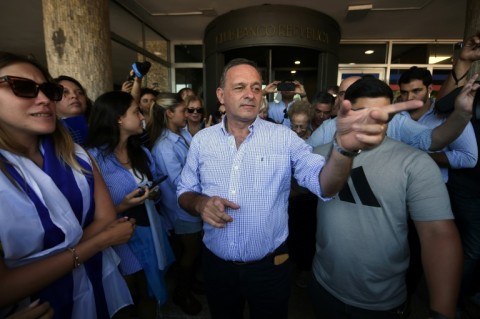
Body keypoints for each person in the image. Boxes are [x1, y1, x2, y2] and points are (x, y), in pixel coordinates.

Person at [176, 57, 422, 319]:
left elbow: (324, 185)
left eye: (257, 88)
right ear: (221, 95)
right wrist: (200, 204)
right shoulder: (202, 141)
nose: (250, 95)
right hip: (217, 267)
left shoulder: (283, 138)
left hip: (270, 269)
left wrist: (342, 149)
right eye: (239, 87)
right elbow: (184, 193)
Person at [309, 76, 466, 319]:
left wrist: (442, 311)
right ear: (345, 111)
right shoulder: (320, 156)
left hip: (381, 302)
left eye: (382, 112)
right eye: (362, 112)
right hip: (323, 286)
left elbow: (438, 233)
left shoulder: (415, 164)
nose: (374, 119)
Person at [0, 52, 135, 318]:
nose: (44, 99)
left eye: (48, 90)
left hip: (97, 283)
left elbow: (106, 217)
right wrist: (99, 242)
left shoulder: (76, 154)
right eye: (23, 87)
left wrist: (32, 268)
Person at [85, 91, 174, 318]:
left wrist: (153, 194)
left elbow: (156, 185)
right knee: (126, 297)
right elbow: (86, 214)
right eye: (137, 111)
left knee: (149, 291)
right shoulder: (92, 159)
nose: (143, 116)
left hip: (149, 230)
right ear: (118, 118)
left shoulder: (141, 152)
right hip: (118, 241)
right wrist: (122, 206)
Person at [307, 75, 476, 153]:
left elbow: (432, 140)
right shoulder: (329, 129)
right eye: (363, 112)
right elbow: (303, 163)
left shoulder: (397, 123)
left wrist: (461, 114)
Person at [148, 98, 203, 315]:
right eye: (184, 111)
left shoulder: (183, 135)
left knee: (195, 248)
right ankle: (182, 293)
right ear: (169, 113)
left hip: (191, 204)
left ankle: (190, 284)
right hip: (181, 209)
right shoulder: (164, 146)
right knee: (190, 251)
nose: (187, 114)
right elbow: (179, 181)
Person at [398, 66, 477, 182]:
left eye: (416, 91)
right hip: (397, 185)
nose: (409, 98)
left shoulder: (448, 115)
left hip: (433, 187)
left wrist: (419, 157)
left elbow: (468, 158)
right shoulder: (395, 115)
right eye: (404, 92)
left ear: (430, 89)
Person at [54, 75, 91, 145]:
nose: (74, 96)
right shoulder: (49, 133)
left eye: (80, 93)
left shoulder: (100, 127)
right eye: (65, 92)